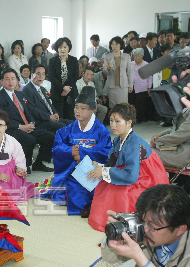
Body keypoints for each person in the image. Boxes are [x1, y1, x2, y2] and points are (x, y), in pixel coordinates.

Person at [87, 103, 169, 232]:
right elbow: (114, 162)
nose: (113, 125)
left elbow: (131, 176)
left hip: (146, 178)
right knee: (103, 184)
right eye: (111, 121)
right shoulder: (118, 140)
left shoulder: (135, 144)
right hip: (133, 171)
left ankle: (117, 222)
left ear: (129, 122)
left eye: (117, 121)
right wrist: (102, 167)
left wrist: (104, 171)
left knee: (120, 192)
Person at [41, 86, 112, 215]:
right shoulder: (68, 130)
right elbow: (57, 147)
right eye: (76, 107)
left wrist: (82, 154)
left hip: (94, 171)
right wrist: (69, 151)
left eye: (83, 108)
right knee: (74, 194)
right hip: (73, 171)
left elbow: (105, 153)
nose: (78, 111)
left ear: (92, 110)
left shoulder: (102, 131)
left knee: (101, 194)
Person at [100, 184, 190, 267]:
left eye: (151, 226)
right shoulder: (143, 222)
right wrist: (114, 238)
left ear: (180, 229)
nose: (144, 229)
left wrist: (140, 258)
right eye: (142, 220)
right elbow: (111, 259)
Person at [0, 68, 55, 173]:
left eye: (13, 78)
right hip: (10, 128)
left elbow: (27, 112)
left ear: (16, 80)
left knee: (51, 137)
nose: (11, 82)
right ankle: (24, 164)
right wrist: (20, 127)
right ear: (2, 81)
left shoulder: (19, 94)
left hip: (26, 126)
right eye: (7, 79)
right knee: (30, 139)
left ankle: (38, 163)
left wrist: (31, 123)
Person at [22, 64, 72, 134]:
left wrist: (55, 113)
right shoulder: (27, 89)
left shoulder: (42, 89)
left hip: (49, 118)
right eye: (38, 74)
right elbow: (32, 109)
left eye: (43, 74)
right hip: (40, 121)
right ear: (32, 75)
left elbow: (49, 103)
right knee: (62, 126)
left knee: (71, 123)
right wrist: (49, 117)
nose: (41, 77)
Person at [48, 37, 79, 121]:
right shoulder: (52, 61)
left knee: (70, 117)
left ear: (69, 48)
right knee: (59, 118)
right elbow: (51, 77)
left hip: (70, 93)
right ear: (57, 48)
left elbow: (75, 76)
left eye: (65, 47)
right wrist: (62, 88)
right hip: (57, 93)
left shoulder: (74, 60)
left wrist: (67, 89)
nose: (62, 49)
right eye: (60, 47)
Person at [103, 36, 133, 108]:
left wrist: (130, 85)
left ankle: (123, 119)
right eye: (112, 44)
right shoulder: (107, 56)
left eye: (116, 44)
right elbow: (104, 71)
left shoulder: (126, 56)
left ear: (121, 45)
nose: (114, 46)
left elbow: (129, 72)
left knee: (123, 107)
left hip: (123, 86)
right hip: (112, 86)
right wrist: (108, 67)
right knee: (113, 107)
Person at [131, 48, 152, 123]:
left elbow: (149, 77)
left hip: (142, 87)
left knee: (141, 103)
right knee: (133, 103)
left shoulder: (146, 64)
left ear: (142, 56)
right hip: (132, 87)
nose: (135, 58)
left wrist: (149, 87)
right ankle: (134, 118)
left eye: (137, 56)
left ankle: (141, 118)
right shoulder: (131, 64)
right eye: (134, 56)